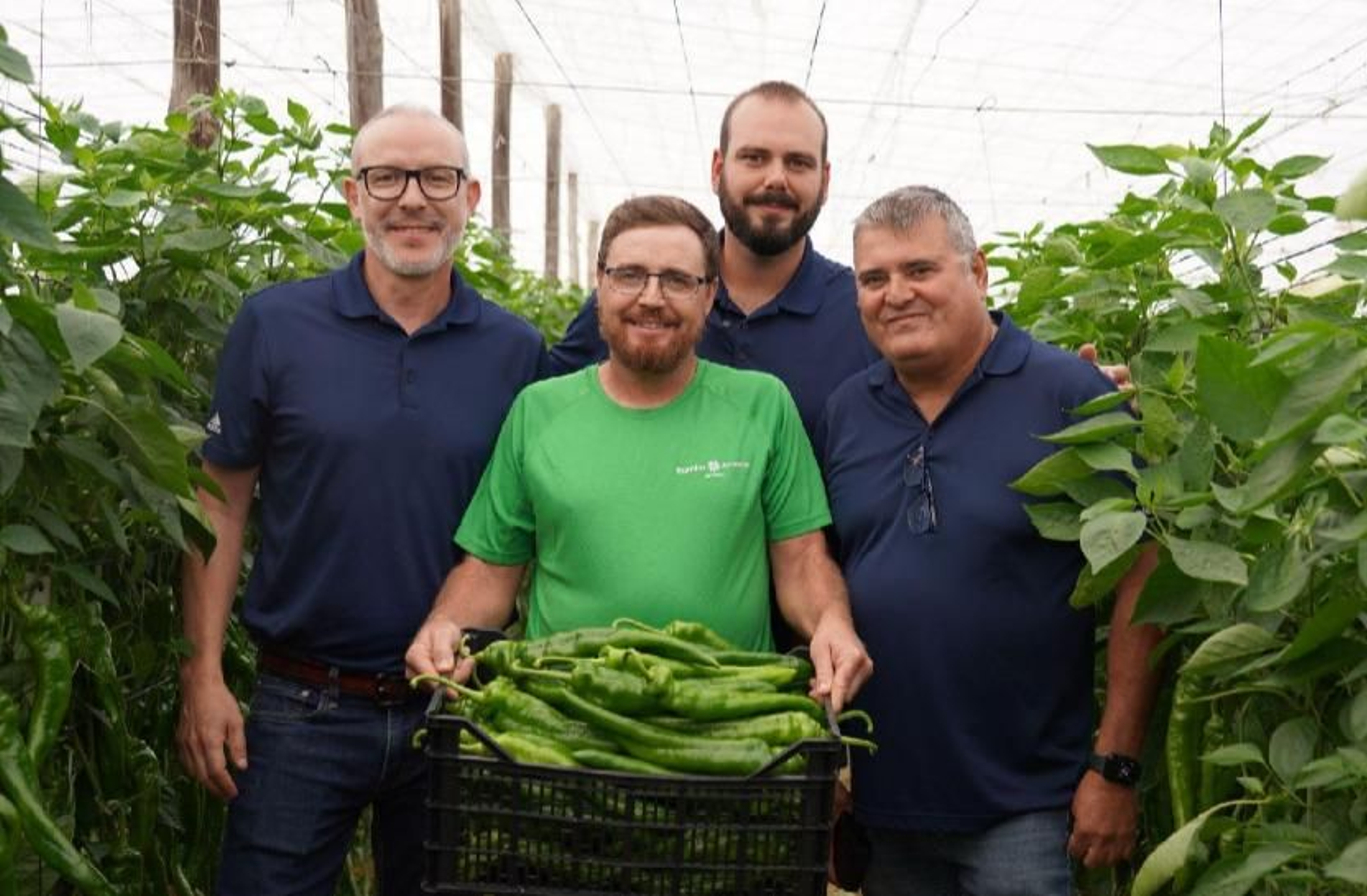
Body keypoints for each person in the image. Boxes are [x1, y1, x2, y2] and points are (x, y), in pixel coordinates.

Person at [175, 104, 547, 896]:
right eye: (386, 177)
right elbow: (219, 501)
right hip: (300, 702)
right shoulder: (276, 325)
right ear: (353, 195)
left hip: (458, 704)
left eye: (436, 178)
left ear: (470, 196)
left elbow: (531, 525)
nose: (412, 198)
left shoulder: (516, 351)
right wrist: (202, 676)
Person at [819, 186, 1164, 895]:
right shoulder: (848, 410)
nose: (897, 295)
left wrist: (1116, 765)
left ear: (976, 273)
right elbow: (824, 571)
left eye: (921, 270)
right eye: (874, 279)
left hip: (1028, 808)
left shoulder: (1067, 392)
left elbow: (1144, 572)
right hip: (889, 809)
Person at [405, 195, 872, 714]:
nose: (652, 298)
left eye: (677, 280)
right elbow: (491, 570)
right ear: (600, 284)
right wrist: (445, 624)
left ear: (710, 294)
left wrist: (831, 621)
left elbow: (803, 559)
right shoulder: (539, 411)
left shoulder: (763, 406)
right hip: (563, 719)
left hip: (727, 721)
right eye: (630, 275)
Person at [548, 81, 874, 447]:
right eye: (754, 158)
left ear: (825, 180)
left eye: (798, 163)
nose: (776, 179)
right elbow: (548, 415)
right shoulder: (637, 305)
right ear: (718, 169)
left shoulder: (863, 315)